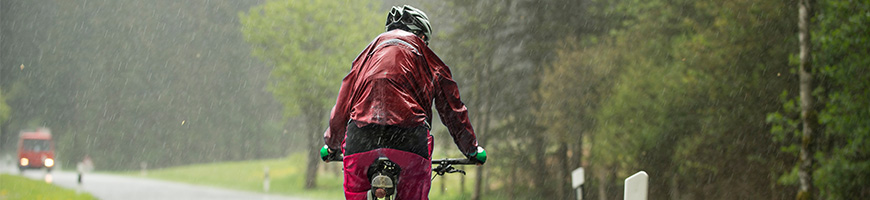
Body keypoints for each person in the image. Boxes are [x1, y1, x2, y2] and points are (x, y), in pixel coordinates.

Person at [321, 5, 487, 200]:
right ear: (422, 36)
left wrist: (332, 145)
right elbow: (452, 110)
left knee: (355, 191)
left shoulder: (365, 57)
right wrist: (471, 149)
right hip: (409, 140)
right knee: (413, 193)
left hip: (361, 140)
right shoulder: (429, 58)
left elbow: (342, 106)